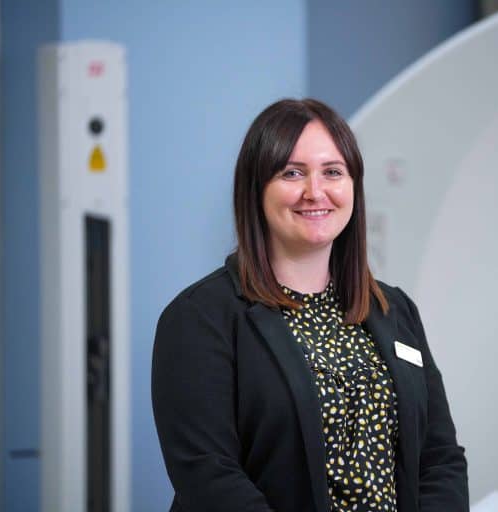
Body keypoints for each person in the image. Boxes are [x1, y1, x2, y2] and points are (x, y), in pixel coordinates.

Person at [151, 98, 468, 512]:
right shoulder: (199, 318)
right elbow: (208, 474)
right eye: (292, 173)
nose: (315, 192)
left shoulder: (395, 310)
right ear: (256, 189)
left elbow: (440, 457)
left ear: (353, 186)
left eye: (333, 172)